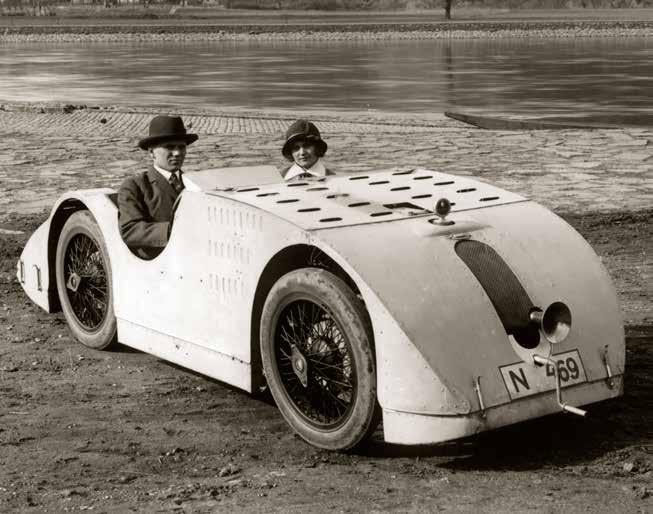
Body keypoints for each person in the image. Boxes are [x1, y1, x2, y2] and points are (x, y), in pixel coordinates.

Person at [118, 115, 198, 259]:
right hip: (160, 262)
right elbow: (130, 230)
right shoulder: (135, 186)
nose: (177, 153)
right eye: (169, 147)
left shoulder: (195, 184)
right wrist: (173, 230)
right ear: (151, 152)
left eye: (181, 147)